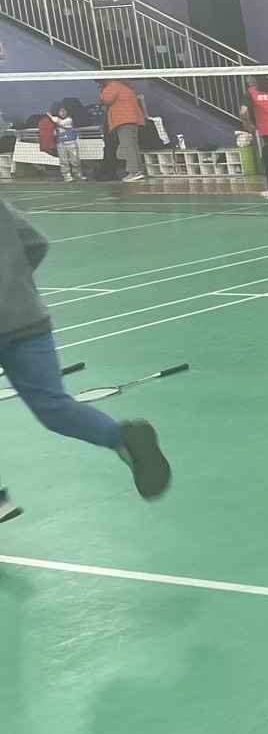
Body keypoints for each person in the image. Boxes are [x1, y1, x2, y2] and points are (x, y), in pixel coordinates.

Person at [0, 194, 171, 521]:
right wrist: (13, 287)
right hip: (27, 319)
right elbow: (36, 243)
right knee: (54, 405)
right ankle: (122, 438)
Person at [98, 78, 148, 182]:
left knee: (128, 147)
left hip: (123, 120)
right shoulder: (126, 88)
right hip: (134, 121)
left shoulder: (113, 85)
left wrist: (103, 91)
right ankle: (138, 170)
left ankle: (133, 171)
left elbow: (106, 99)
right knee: (134, 146)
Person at [49, 105, 83, 181]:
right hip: (61, 144)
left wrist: (51, 117)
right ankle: (67, 175)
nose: (63, 112)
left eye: (64, 110)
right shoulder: (54, 124)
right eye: (60, 111)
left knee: (75, 160)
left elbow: (61, 123)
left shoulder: (69, 120)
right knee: (63, 161)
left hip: (72, 144)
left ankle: (78, 174)